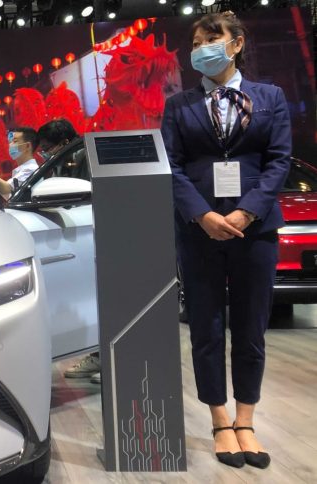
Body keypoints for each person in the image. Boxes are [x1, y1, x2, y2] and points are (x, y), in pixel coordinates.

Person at [162, 11, 290, 469]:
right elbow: (171, 165)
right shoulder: (179, 106)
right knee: (206, 326)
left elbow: (279, 160)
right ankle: (219, 420)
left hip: (256, 229)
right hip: (199, 231)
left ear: (236, 44)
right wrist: (202, 214)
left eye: (211, 39)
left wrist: (246, 211)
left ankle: (246, 420)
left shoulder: (270, 97)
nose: (202, 48)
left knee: (252, 327)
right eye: (196, 42)